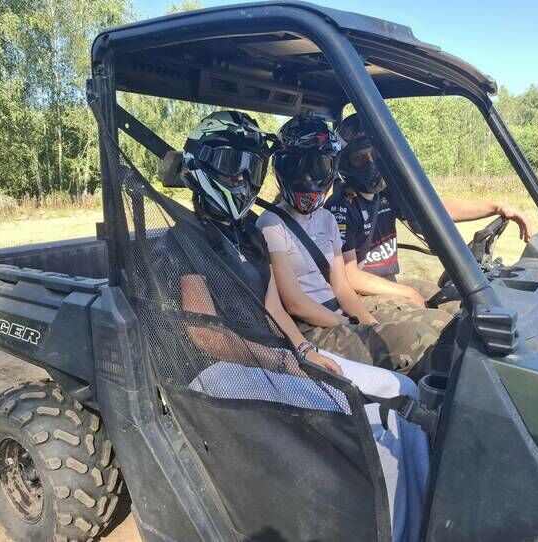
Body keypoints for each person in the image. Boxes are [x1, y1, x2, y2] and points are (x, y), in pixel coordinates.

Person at [168, 110, 429, 540]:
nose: (241, 179)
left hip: (273, 355)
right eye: (232, 166)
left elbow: (274, 304)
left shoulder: (247, 231)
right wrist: (282, 361)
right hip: (221, 371)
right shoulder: (187, 237)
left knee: (403, 390)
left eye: (251, 169)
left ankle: (421, 523)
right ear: (202, 165)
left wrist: (303, 351)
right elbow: (205, 334)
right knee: (373, 428)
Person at [257, 114, 447, 374]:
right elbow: (295, 303)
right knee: (416, 340)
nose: (309, 177)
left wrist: (368, 324)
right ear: (284, 170)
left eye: (320, 166)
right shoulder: (271, 224)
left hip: (339, 314)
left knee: (438, 326)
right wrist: (346, 323)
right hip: (311, 327)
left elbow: (342, 288)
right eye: (300, 167)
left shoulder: (326, 219)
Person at [326, 113, 533, 322]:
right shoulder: (341, 206)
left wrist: (496, 207)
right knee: (438, 323)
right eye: (360, 158)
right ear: (346, 164)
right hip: (362, 296)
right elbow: (350, 276)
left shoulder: (387, 193)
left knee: (463, 303)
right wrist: (407, 293)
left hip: (389, 283)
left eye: (374, 154)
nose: (371, 164)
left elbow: (436, 209)